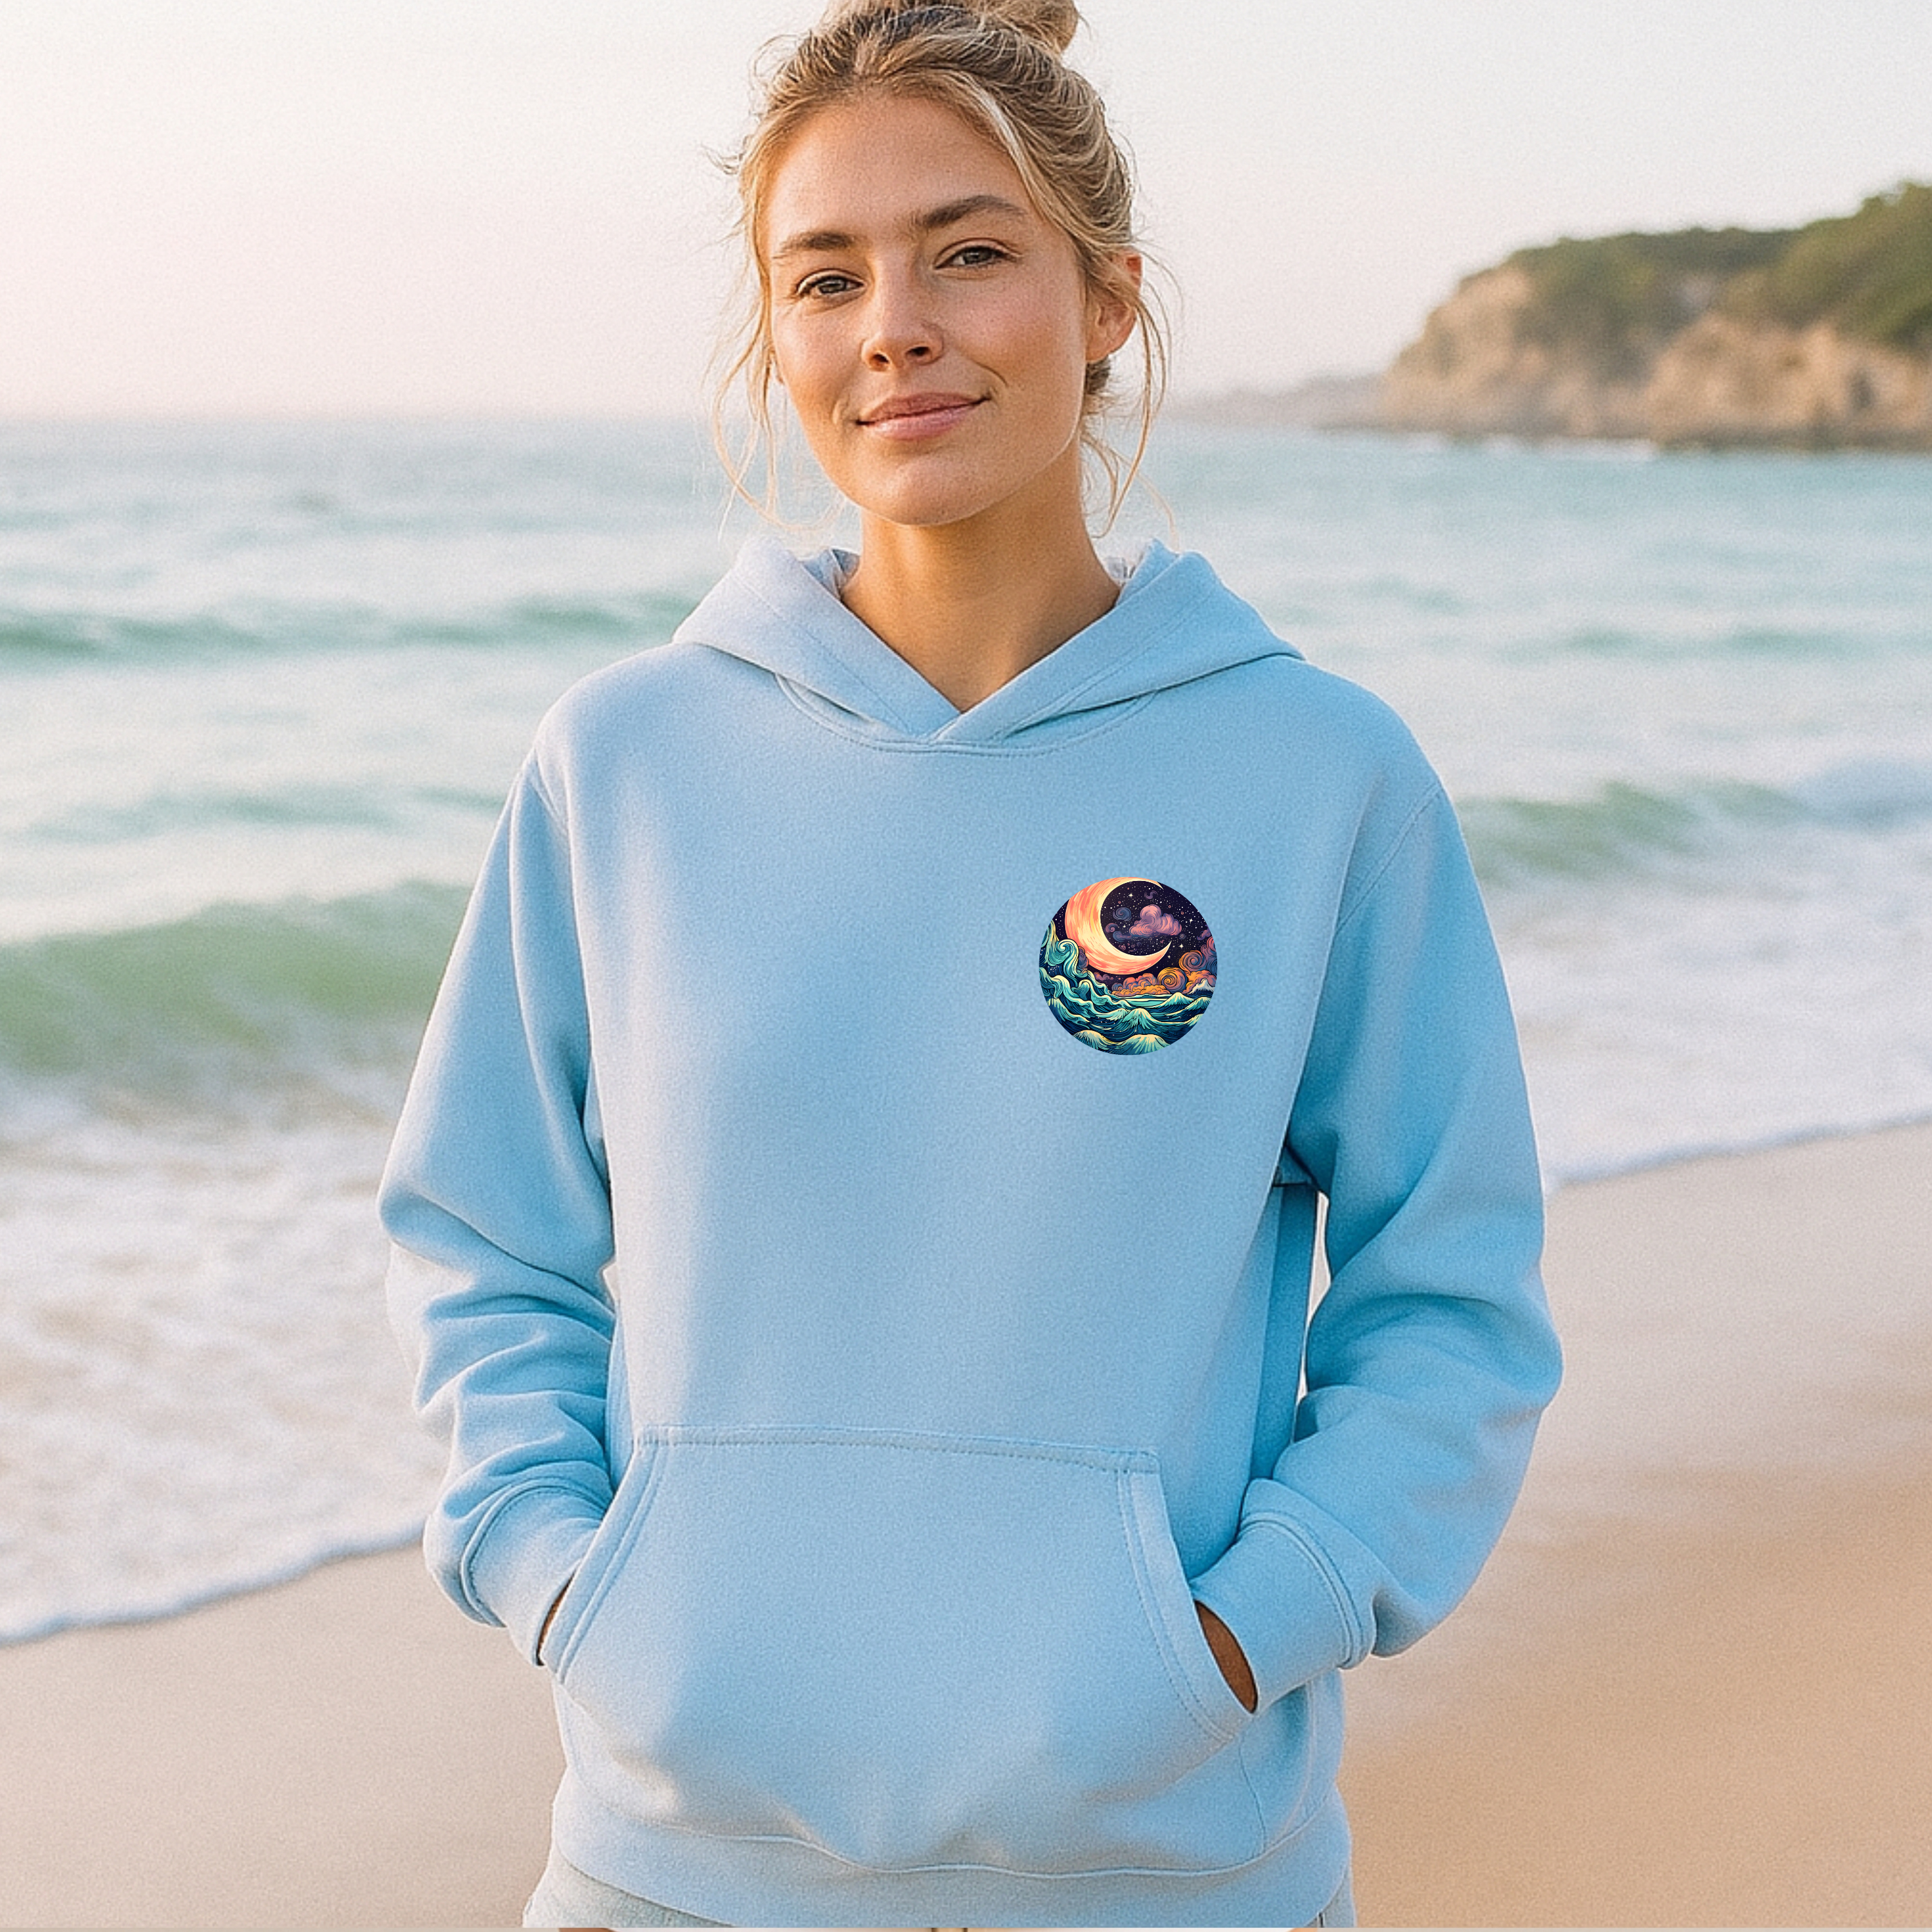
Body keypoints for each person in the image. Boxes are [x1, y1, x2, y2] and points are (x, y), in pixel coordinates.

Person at [379, 3, 1562, 1926]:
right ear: (777, 337)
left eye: (971, 253)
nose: (895, 328)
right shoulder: (626, 764)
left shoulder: (1316, 774)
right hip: (674, 1870)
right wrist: (567, 1580)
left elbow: (1454, 1290)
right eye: (826, 277)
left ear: (1109, 301)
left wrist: (1246, 1631)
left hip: (1171, 1871)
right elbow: (479, 1237)